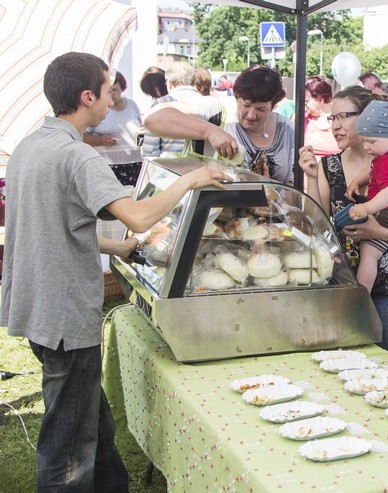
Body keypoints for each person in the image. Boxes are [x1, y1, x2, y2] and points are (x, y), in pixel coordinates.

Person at [0, 52, 230, 493]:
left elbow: (51, 224)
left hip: (34, 307)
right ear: (88, 97)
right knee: (67, 450)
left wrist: (112, 245)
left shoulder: (31, 144)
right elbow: (141, 217)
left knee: (92, 421)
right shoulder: (78, 156)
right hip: (64, 315)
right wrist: (192, 178)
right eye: (108, 90)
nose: (113, 98)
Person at [297, 85, 388, 361]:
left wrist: (380, 232)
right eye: (331, 118)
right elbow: (315, 225)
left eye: (342, 117)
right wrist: (312, 178)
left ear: (367, 117)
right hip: (343, 293)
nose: (334, 126)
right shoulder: (330, 166)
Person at [144, 65, 295, 185]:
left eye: (261, 109)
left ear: (274, 104)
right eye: (246, 105)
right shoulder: (215, 109)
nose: (251, 114)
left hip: (267, 221)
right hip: (207, 220)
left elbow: (290, 188)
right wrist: (209, 131)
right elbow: (153, 119)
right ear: (236, 96)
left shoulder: (287, 129)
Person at [345, 100, 388, 294]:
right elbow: (373, 171)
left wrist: (366, 209)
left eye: (371, 141)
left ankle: (362, 296)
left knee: (369, 254)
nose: (366, 147)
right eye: (364, 140)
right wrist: (358, 180)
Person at [84, 71, 143, 187]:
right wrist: (100, 140)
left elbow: (140, 132)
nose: (112, 94)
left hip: (134, 164)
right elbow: (82, 137)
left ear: (122, 88)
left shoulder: (132, 105)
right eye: (108, 91)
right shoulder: (98, 109)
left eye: (115, 90)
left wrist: (143, 137)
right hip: (107, 166)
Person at [142, 61, 203, 158]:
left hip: (169, 166)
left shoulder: (161, 104)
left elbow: (151, 148)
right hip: (200, 167)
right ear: (193, 80)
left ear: (169, 82)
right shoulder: (207, 102)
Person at [304, 75, 340, 158]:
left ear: (320, 100)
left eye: (307, 101)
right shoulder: (303, 119)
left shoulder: (341, 119)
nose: (304, 105)